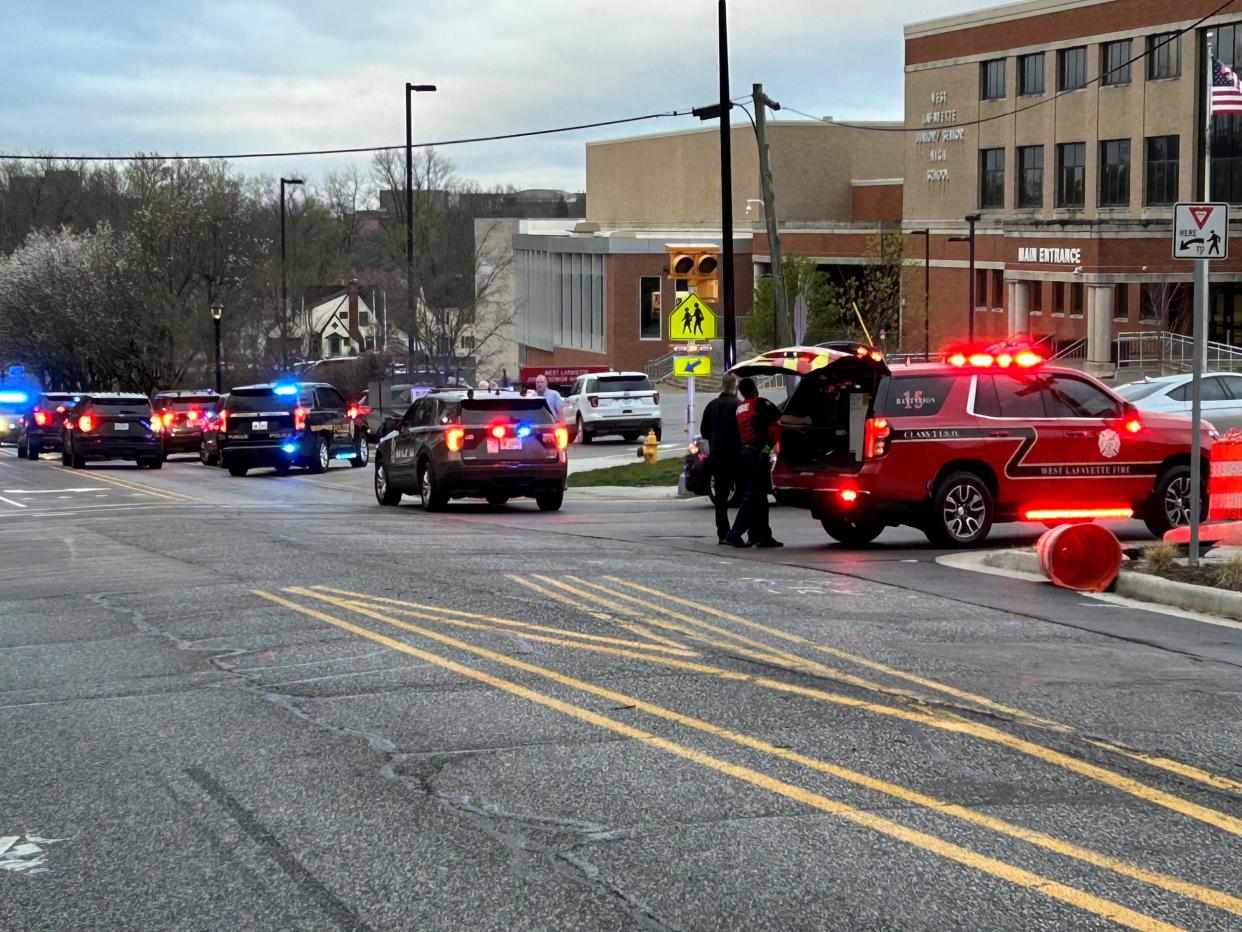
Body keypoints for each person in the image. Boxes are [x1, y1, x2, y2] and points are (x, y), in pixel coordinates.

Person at [726, 377, 783, 548]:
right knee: (753, 496)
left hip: (746, 451)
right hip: (758, 452)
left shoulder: (740, 408)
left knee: (759, 496)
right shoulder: (759, 403)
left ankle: (761, 535)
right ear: (755, 389)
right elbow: (778, 416)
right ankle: (735, 534)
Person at [700, 373, 741, 544]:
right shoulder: (738, 406)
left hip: (717, 456)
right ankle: (743, 531)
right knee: (747, 494)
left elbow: (704, 431)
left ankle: (723, 533)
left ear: (722, 386)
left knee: (721, 498)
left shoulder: (712, 406)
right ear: (735, 387)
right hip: (736, 456)